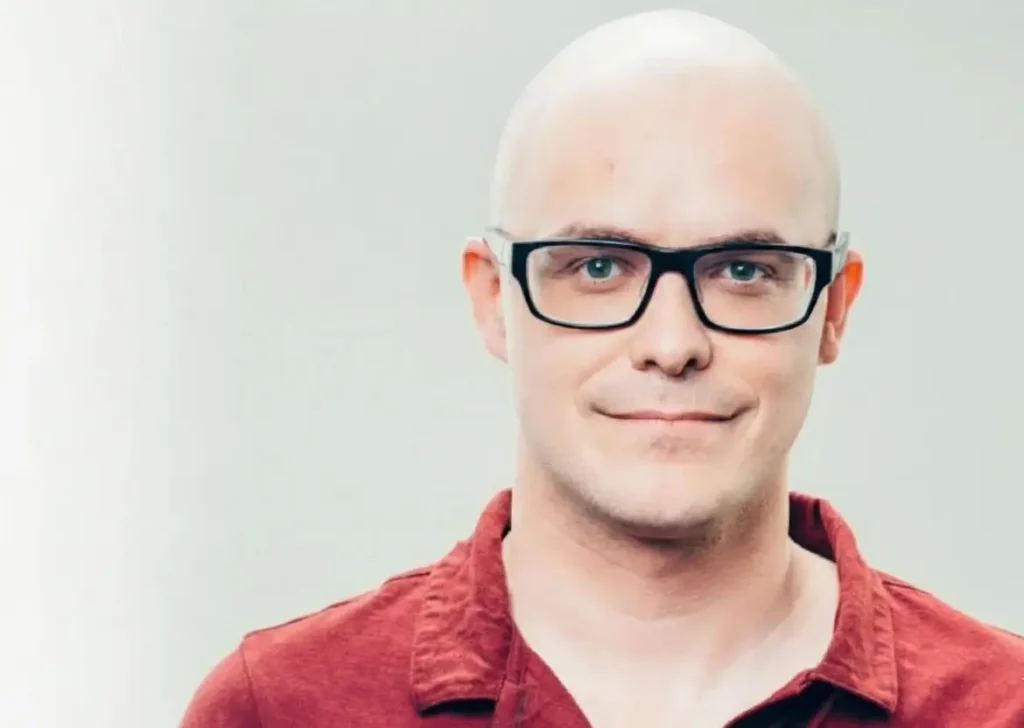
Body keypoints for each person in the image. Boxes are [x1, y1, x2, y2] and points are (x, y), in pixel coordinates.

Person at [179, 9, 1024, 727]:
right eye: (597, 267)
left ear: (833, 308)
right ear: (493, 299)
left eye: (742, 270)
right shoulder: (276, 709)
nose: (672, 342)